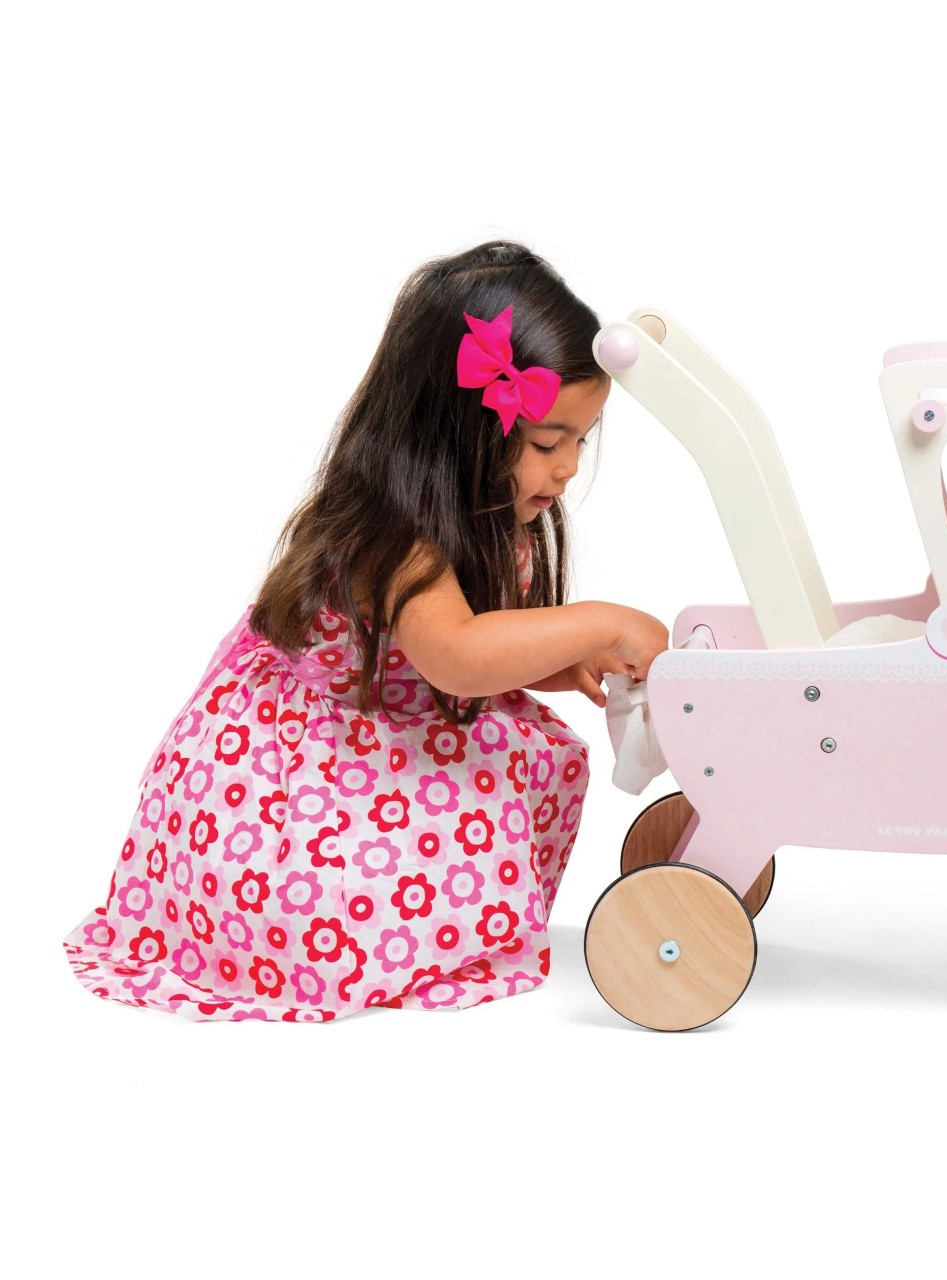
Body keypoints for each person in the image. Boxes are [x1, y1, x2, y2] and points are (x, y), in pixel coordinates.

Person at [62, 240, 669, 1022]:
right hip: (296, 772)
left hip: (387, 715)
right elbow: (456, 656)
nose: (569, 468)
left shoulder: (485, 515)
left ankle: (426, 921)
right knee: (369, 858)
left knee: (511, 762)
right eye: (549, 443)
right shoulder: (396, 535)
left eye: (581, 441)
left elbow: (466, 644)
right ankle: (336, 935)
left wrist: (559, 658)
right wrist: (603, 621)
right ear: (458, 431)